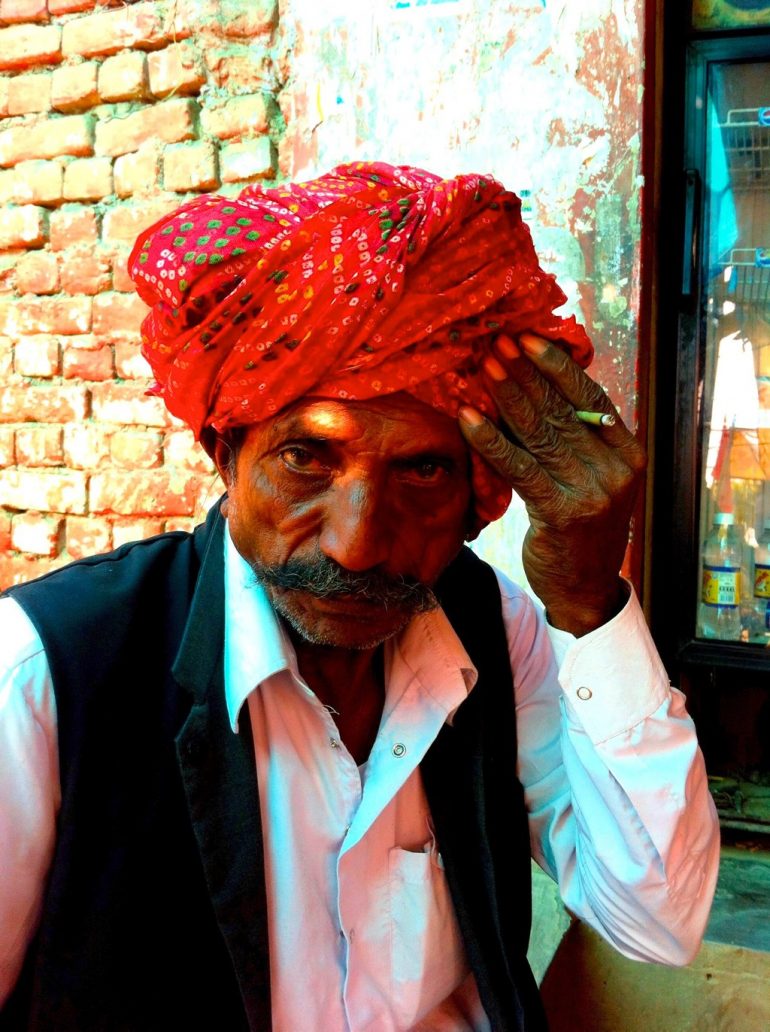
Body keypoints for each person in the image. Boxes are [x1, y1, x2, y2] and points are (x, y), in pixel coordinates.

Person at [0, 162, 719, 1032]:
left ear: (477, 492)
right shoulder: (49, 675)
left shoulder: (498, 630)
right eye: (306, 458)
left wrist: (590, 602)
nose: (357, 542)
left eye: (421, 471)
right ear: (226, 452)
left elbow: (656, 919)